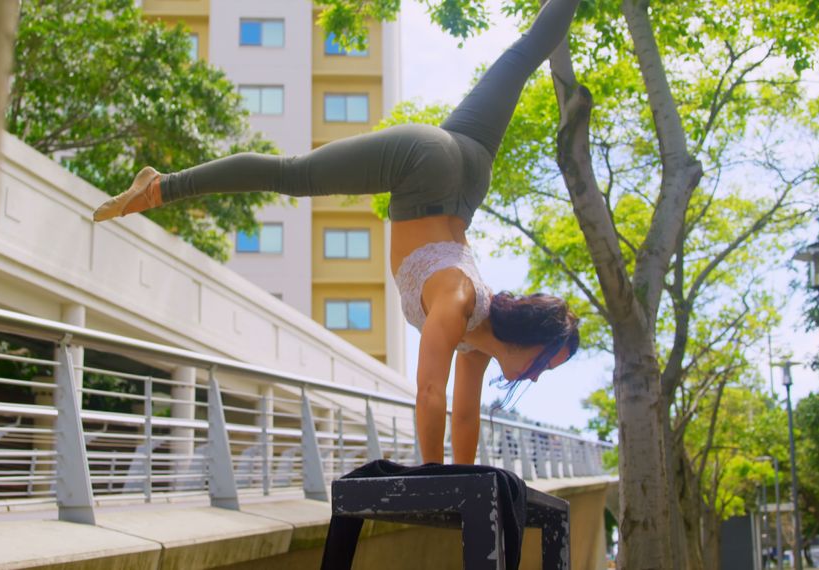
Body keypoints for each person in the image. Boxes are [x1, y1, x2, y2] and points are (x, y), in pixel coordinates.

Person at [93, 0, 581, 465]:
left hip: (469, 171)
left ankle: (159, 187)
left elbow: (466, 417)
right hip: (423, 168)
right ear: (528, 342)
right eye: (542, 366)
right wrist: (439, 482)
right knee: (292, 174)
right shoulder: (459, 302)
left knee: (524, 55)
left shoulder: (477, 338)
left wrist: (468, 487)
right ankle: (160, 187)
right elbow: (431, 393)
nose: (534, 379)